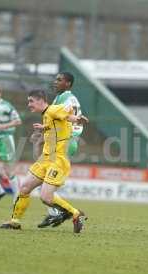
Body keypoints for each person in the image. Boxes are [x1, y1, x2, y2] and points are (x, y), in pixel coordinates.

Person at [0, 89, 88, 233]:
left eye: (31, 101)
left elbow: (67, 111)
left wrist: (76, 118)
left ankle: (77, 214)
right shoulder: (47, 114)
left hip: (58, 159)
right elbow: (58, 123)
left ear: (41, 100)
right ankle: (14, 221)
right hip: (46, 158)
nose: (29, 104)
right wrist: (44, 129)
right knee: (25, 187)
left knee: (46, 197)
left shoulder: (53, 109)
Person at [36, 72, 85, 228]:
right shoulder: (61, 97)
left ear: (68, 84)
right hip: (62, 141)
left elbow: (69, 118)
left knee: (41, 177)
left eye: (59, 80)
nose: (55, 82)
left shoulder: (67, 99)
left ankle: (60, 212)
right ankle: (56, 212)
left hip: (65, 142)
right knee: (40, 176)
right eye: (55, 79)